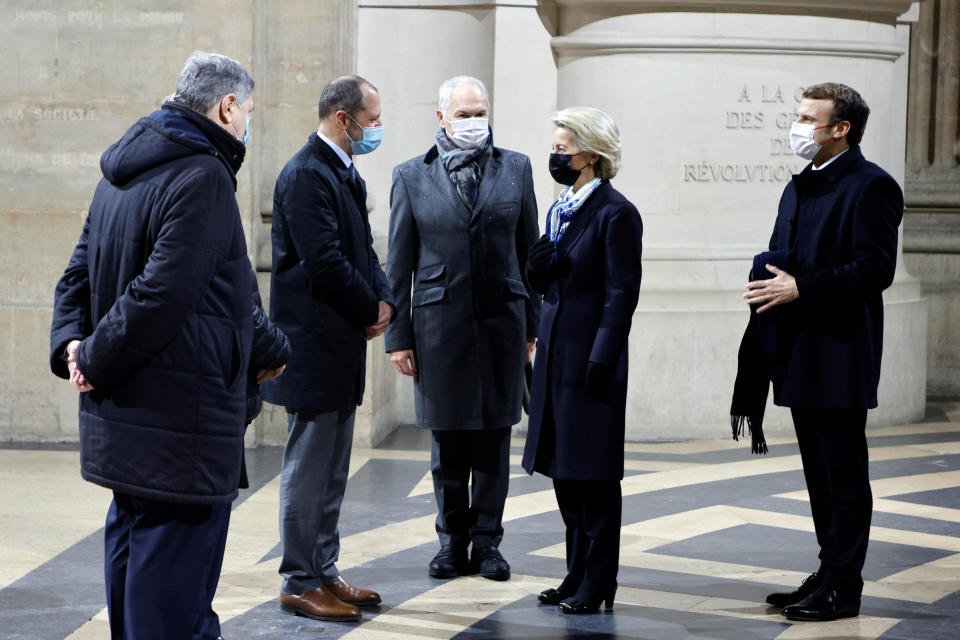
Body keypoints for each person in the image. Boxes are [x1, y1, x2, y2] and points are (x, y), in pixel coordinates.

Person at [49, 51, 286, 640]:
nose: (247, 122)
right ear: (228, 105)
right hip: (181, 415)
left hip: (132, 411)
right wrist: (92, 361)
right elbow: (161, 295)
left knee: (134, 549)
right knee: (175, 580)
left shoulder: (124, 167)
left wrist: (72, 348)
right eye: (248, 110)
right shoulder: (202, 174)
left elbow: (79, 271)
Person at [737, 83, 903, 622]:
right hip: (800, 346)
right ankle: (829, 569)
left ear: (841, 129)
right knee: (817, 471)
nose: (798, 125)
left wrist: (801, 288)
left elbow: (875, 269)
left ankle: (844, 586)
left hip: (840, 349)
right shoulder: (801, 184)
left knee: (843, 471)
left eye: (810, 118)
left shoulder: (871, 185)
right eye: (799, 115)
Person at [385, 75, 540, 582]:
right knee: (448, 443)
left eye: (480, 112)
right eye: (464, 113)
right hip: (438, 327)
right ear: (442, 118)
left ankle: (488, 544)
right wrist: (398, 337)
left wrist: (534, 329)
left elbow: (530, 257)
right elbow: (398, 265)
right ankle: (451, 543)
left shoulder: (515, 168)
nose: (475, 121)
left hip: (502, 325)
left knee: (495, 439)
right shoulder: (411, 175)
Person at [263, 74, 394, 622]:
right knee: (309, 466)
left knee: (333, 468)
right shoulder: (305, 174)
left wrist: (383, 298)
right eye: (373, 121)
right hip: (314, 345)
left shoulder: (343, 173)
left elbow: (362, 250)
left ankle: (324, 567)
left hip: (340, 344)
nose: (377, 130)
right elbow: (326, 263)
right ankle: (298, 579)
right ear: (343, 119)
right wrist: (371, 310)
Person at [521, 107, 643, 614]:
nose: (555, 156)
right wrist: (537, 270)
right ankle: (575, 574)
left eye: (562, 149)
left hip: (590, 362)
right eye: (553, 148)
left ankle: (599, 581)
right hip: (553, 355)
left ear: (591, 154)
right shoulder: (562, 208)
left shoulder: (616, 214)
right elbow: (552, 283)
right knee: (566, 473)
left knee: (594, 478)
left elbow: (621, 295)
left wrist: (602, 359)